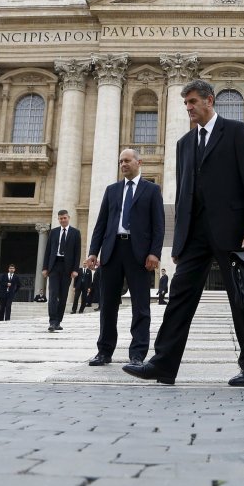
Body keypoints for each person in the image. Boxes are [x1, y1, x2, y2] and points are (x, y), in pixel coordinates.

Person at [124, 79, 244, 386]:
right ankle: (163, 364)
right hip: (194, 235)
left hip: (232, 230)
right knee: (179, 297)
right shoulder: (183, 144)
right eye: (185, 103)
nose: (188, 107)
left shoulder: (237, 131)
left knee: (241, 299)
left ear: (209, 101)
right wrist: (178, 239)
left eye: (192, 101)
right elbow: (183, 192)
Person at [87, 149, 164, 367]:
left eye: (127, 160)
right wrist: (94, 251)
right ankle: (104, 351)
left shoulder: (152, 190)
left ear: (139, 162)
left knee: (140, 305)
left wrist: (154, 253)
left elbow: (159, 226)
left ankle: (137, 354)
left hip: (138, 253)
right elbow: (101, 223)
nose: (123, 164)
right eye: (120, 161)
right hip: (112, 250)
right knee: (108, 304)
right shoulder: (112, 190)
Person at [41, 209, 81, 332]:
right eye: (60, 218)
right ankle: (52, 321)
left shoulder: (75, 233)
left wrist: (75, 270)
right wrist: (45, 267)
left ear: (68, 218)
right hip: (54, 265)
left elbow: (77, 252)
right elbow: (48, 251)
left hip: (67, 268)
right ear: (58, 219)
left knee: (63, 296)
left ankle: (58, 321)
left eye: (64, 218)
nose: (63, 220)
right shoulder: (53, 232)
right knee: (53, 294)